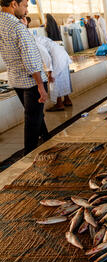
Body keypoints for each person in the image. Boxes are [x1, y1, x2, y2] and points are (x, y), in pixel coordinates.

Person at [0, 0, 49, 154]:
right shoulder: (17, 27)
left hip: (16, 79)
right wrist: (40, 85)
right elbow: (30, 59)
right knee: (32, 121)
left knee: (35, 115)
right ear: (14, 4)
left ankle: (48, 140)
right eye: (25, 5)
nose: (27, 11)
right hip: (31, 82)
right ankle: (29, 156)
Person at [23, 16, 72, 112]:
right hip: (62, 55)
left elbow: (46, 57)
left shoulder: (33, 42)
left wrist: (49, 73)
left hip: (57, 58)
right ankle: (67, 100)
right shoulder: (35, 37)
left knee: (53, 81)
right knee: (63, 78)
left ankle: (59, 104)